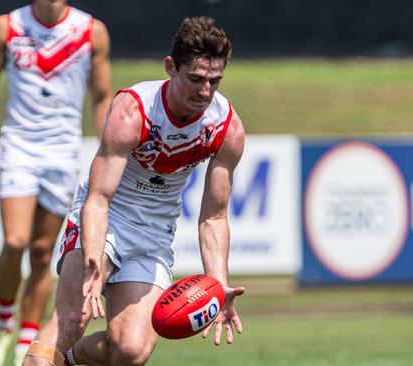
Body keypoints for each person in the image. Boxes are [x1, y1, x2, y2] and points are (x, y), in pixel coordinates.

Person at [22, 16, 246, 366]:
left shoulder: (226, 128)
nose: (205, 92)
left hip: (154, 232)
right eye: (196, 79)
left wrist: (218, 284)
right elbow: (98, 199)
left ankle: (64, 360)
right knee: (71, 319)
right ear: (171, 67)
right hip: (107, 218)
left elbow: (214, 216)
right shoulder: (134, 111)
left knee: (131, 350)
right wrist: (94, 262)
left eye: (214, 81)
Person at [0, 1, 112, 365]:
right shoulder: (6, 27)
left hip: (62, 152)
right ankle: (2, 323)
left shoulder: (90, 31)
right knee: (15, 240)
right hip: (19, 147)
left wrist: (110, 153)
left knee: (40, 252)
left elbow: (101, 97)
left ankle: (26, 337)